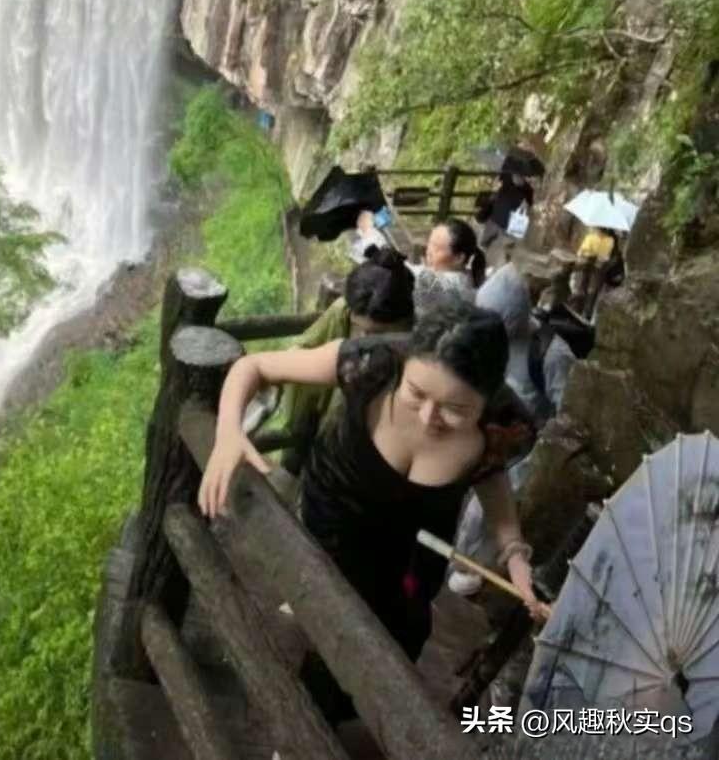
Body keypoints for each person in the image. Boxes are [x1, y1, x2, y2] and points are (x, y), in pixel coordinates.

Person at [198, 304, 545, 723]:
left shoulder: (503, 427)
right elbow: (254, 367)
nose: (429, 416)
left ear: (487, 402)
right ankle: (308, 724)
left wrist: (515, 555)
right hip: (338, 509)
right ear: (405, 365)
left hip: (414, 542)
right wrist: (228, 433)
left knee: (401, 633)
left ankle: (342, 716)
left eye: (455, 410)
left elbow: (492, 478)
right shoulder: (371, 363)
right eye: (416, 392)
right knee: (329, 614)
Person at [447, 264, 575, 596]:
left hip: (523, 449)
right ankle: (451, 564)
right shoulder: (483, 339)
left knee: (481, 514)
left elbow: (568, 413)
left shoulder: (551, 355)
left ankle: (468, 578)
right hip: (482, 431)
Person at [276, 248, 415, 477]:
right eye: (359, 328)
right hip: (333, 427)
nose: (363, 340)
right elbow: (303, 347)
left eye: (377, 333)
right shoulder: (343, 310)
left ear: (404, 322)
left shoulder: (421, 339)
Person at [410, 218, 486, 306]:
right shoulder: (461, 275)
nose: (428, 251)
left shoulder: (451, 289)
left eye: (437, 248)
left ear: (458, 258)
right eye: (429, 243)